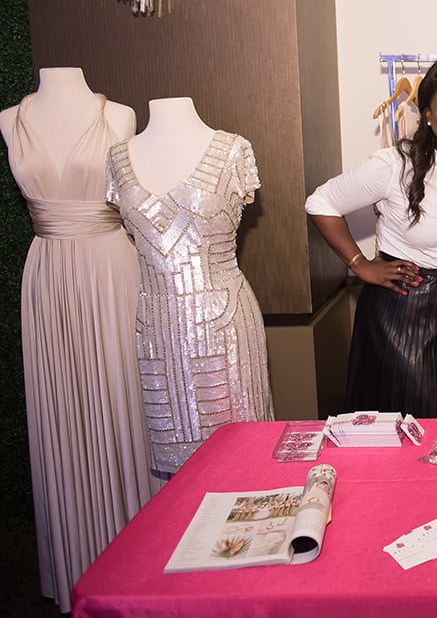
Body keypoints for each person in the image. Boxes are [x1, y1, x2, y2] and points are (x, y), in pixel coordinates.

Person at [1, 67, 154, 614]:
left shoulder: (118, 117)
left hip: (110, 267)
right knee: (60, 408)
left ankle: (130, 558)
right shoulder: (9, 120)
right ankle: (73, 559)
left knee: (120, 399)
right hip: (47, 273)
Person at [306, 56, 437, 417]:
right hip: (404, 312)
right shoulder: (395, 165)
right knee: (413, 423)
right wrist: (359, 264)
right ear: (426, 111)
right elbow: (321, 202)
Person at [106, 96, 274, 475]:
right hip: (156, 328)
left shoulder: (232, 150)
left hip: (223, 323)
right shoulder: (118, 158)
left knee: (239, 461)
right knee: (175, 471)